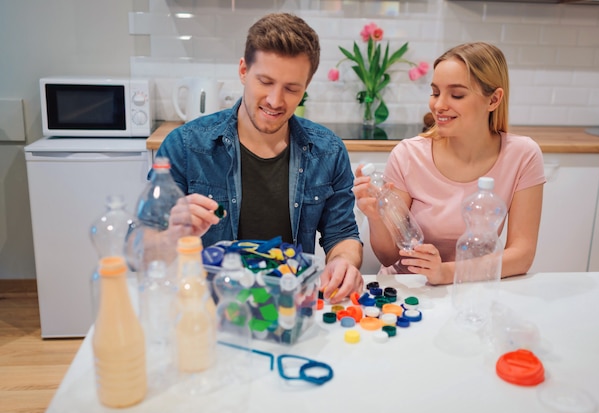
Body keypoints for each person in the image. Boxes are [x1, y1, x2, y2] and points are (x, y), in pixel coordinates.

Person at [156, 13, 363, 302]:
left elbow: (342, 235)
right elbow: (141, 244)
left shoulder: (328, 151)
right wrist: (169, 235)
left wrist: (343, 263)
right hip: (206, 307)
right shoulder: (185, 146)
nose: (276, 101)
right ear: (243, 70)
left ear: (306, 86)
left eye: (292, 89)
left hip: (288, 308)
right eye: (265, 82)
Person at [354, 42, 545, 285]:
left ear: (494, 100)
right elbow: (389, 256)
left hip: (472, 292)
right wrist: (375, 216)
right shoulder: (408, 155)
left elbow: (522, 255)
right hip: (407, 292)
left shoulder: (522, 155)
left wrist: (445, 273)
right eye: (435, 92)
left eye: (457, 94)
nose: (439, 105)